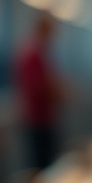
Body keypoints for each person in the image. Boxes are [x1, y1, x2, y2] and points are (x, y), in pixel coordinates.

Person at [14, 12, 62, 170]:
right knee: (43, 164)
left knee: (46, 162)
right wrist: (60, 91)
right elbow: (37, 87)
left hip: (43, 117)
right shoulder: (33, 53)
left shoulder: (37, 52)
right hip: (38, 118)